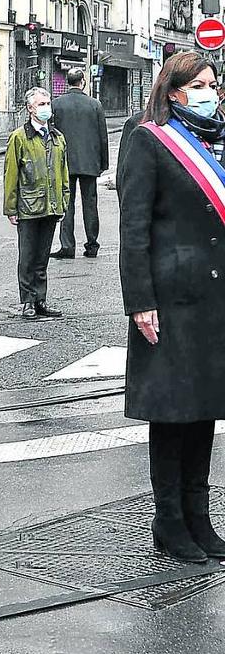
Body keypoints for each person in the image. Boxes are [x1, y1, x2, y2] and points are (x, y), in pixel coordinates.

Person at [119, 52, 225, 563]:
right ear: (175, 91)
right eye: (201, 85)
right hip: (168, 295)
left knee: (204, 408)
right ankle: (169, 521)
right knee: (171, 411)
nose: (211, 92)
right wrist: (140, 301)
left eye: (214, 84)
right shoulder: (147, 139)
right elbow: (133, 230)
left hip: (212, 298)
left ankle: (199, 518)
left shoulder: (214, 142)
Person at [3, 87, 69, 319]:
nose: (46, 108)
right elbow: (11, 174)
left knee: (42, 256)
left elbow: (64, 172)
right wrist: (11, 207)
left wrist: (64, 201)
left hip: (51, 205)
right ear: (30, 108)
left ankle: (40, 298)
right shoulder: (19, 138)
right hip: (29, 206)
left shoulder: (57, 137)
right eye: (41, 104)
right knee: (28, 257)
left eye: (48, 103)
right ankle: (28, 300)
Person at [50, 68, 109, 258]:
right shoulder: (95, 105)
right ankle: (92, 244)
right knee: (90, 204)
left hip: (64, 162)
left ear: (68, 82)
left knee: (66, 204)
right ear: (82, 81)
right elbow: (103, 137)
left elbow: (51, 136)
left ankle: (67, 246)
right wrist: (103, 163)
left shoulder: (57, 104)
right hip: (89, 163)